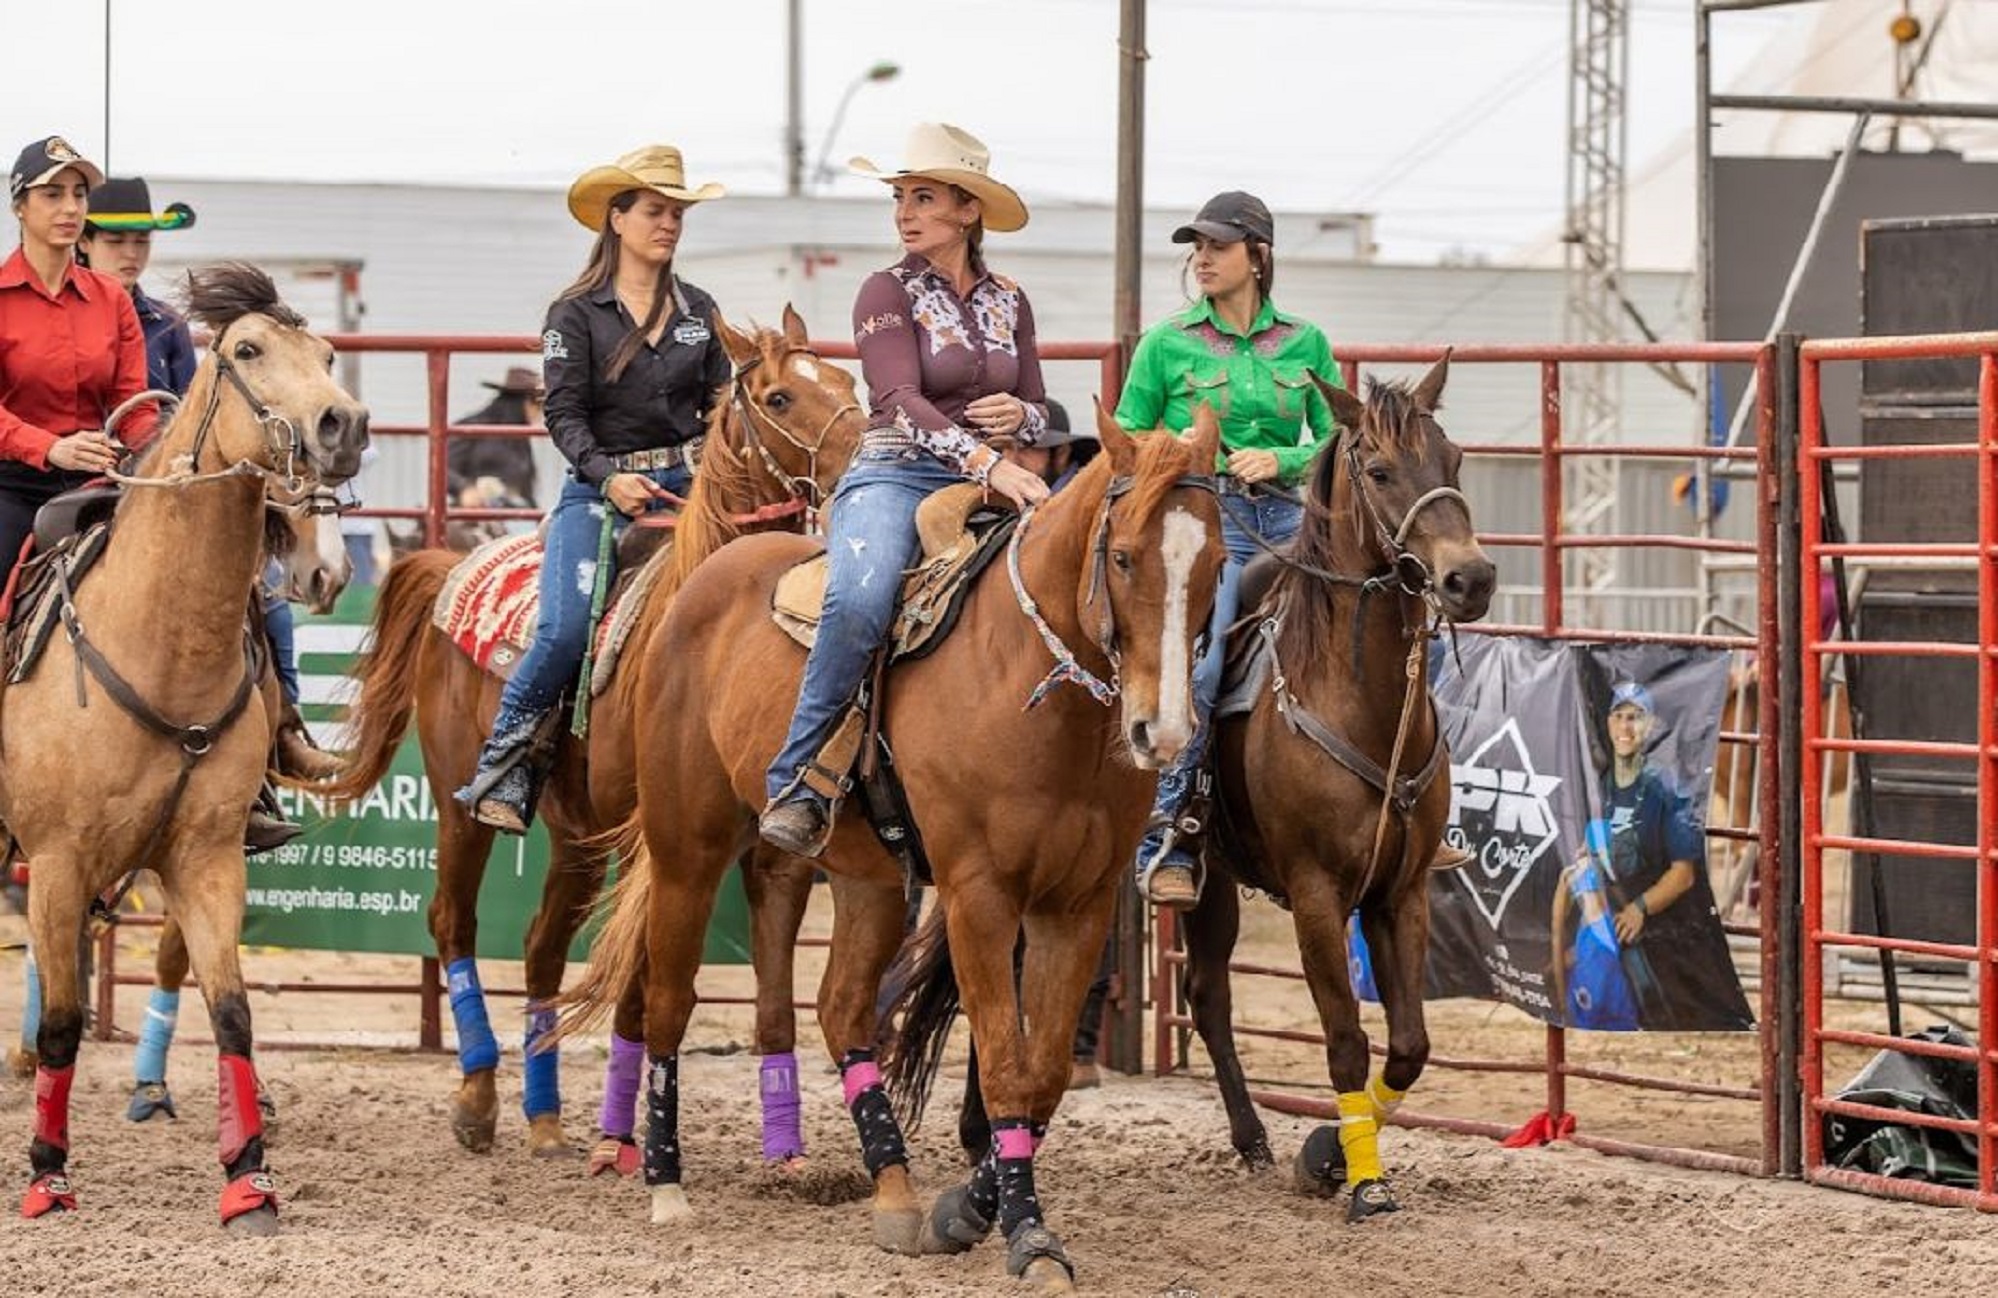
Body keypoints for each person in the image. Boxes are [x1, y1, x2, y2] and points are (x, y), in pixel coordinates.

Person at [757, 122, 1051, 855]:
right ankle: (800, 780)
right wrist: (992, 463)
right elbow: (897, 400)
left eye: (923, 197)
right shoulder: (885, 292)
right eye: (900, 198)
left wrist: (1022, 414)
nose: (904, 212)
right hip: (895, 472)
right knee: (859, 598)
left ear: (967, 210)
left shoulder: (1011, 299)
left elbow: (1043, 405)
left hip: (993, 474)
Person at [456, 144, 729, 833]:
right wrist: (611, 477)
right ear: (617, 219)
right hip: (600, 488)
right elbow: (563, 415)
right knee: (566, 626)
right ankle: (508, 765)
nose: (669, 224)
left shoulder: (700, 310)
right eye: (656, 211)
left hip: (694, 489)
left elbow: (724, 401)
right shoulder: (575, 314)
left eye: (678, 214)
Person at [1112, 191, 1337, 908]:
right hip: (1210, 529)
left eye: (1217, 245)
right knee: (1203, 667)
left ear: (1257, 256)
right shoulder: (1167, 342)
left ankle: (1412, 814)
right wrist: (1182, 452)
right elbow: (1125, 433)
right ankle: (1170, 837)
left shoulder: (1306, 342)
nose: (1201, 258)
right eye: (1196, 246)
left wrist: (1287, 462)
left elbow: (1338, 435)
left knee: (1379, 630)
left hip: (1296, 524)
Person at [0, 136, 154, 570]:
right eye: (52, 194)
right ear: (20, 206)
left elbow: (133, 405)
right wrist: (50, 447)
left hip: (99, 482)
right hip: (12, 487)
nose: (70, 208)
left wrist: (165, 451)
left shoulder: (112, 299)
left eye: (79, 194)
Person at [1583, 680, 1751, 1031]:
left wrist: (1639, 908)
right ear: (1608, 723)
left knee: (1647, 998)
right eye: (1619, 717)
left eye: (1635, 718)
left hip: (1649, 931)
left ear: (1650, 727)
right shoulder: (1597, 787)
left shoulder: (1665, 788)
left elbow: (1683, 874)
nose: (1626, 727)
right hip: (1604, 924)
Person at [74, 176, 197, 395]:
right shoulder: (54, 314)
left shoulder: (170, 325)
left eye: (142, 241)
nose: (131, 254)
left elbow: (190, 413)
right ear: (83, 242)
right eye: (115, 241)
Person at [451, 364, 543, 509]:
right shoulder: (471, 428)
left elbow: (526, 489)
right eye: (537, 404)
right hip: (476, 514)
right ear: (521, 402)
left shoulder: (520, 438)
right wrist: (464, 488)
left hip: (512, 514)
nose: (540, 412)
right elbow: (444, 469)